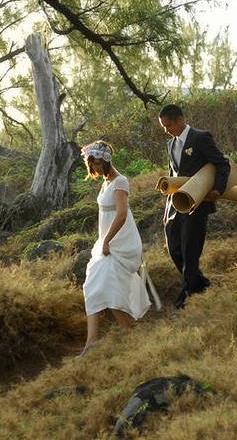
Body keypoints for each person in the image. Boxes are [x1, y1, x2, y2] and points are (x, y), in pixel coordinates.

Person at [80, 140, 151, 356]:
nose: (95, 170)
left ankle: (129, 331)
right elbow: (105, 215)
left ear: (107, 161)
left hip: (122, 241)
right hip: (107, 240)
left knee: (109, 287)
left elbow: (121, 214)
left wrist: (107, 240)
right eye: (92, 166)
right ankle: (92, 341)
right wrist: (103, 239)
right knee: (91, 284)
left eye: (98, 165)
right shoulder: (105, 183)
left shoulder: (121, 182)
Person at [159, 104, 230, 309]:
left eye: (169, 125)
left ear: (181, 120)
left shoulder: (200, 138)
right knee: (174, 248)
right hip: (174, 204)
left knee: (191, 250)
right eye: (163, 126)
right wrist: (167, 202)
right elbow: (174, 173)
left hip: (197, 203)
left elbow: (222, 164)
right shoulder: (170, 144)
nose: (166, 130)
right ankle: (200, 283)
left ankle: (188, 294)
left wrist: (217, 189)